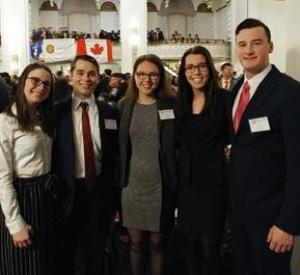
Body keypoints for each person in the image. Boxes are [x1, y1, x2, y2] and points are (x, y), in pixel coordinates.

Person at [228, 18, 300, 275]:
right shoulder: (237, 89)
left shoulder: (290, 92)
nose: (248, 50)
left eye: (256, 43)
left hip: (272, 220)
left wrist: (288, 223)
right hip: (239, 214)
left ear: (270, 46)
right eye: (242, 44)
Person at [53, 55, 119, 275]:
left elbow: (114, 157)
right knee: (66, 254)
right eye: (80, 73)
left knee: (96, 252)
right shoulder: (56, 112)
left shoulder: (110, 112)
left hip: (98, 192)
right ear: (71, 76)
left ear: (99, 78)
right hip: (66, 194)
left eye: (91, 73)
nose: (86, 78)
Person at [118, 54, 177, 275]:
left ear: (161, 77)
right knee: (135, 244)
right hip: (132, 187)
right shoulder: (124, 106)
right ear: (134, 76)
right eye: (141, 74)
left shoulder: (171, 105)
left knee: (157, 243)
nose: (147, 79)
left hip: (160, 186)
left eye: (153, 74)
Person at [0, 63, 58, 275]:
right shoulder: (5, 122)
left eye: (46, 84)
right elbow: (2, 179)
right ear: (23, 81)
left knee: (46, 265)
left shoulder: (43, 117)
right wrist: (15, 223)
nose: (40, 87)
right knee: (23, 266)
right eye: (35, 80)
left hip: (46, 197)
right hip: (22, 198)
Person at [176, 45, 228, 275]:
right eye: (189, 67)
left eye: (200, 66)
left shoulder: (225, 100)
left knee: (209, 249)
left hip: (214, 186)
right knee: (189, 246)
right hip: (186, 185)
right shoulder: (178, 103)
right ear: (183, 72)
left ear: (209, 68)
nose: (195, 72)